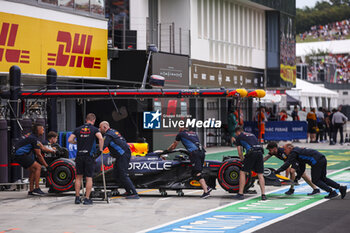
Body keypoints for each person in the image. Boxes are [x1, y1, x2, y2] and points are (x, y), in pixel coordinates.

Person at [275, 143, 347, 199]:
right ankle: (341, 188)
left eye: (285, 149)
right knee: (323, 178)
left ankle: (331, 192)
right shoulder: (297, 151)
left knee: (315, 180)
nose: (284, 151)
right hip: (322, 158)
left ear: (289, 148)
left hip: (316, 161)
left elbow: (287, 163)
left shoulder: (293, 152)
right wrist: (297, 177)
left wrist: (277, 171)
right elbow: (302, 167)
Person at [68, 113, 104, 205]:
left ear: (86, 119)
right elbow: (100, 138)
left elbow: (69, 140)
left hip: (79, 156)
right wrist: (100, 150)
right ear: (93, 120)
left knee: (78, 177)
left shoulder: (77, 129)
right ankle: (87, 199)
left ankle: (77, 198)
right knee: (89, 178)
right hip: (89, 156)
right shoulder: (94, 129)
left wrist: (77, 142)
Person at [167, 127, 212, 198]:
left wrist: (166, 151)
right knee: (194, 173)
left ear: (182, 128)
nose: (178, 128)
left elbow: (173, 146)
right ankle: (207, 188)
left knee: (197, 173)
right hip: (202, 152)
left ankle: (206, 192)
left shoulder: (181, 134)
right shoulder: (194, 133)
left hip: (195, 153)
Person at [99, 121, 140, 199]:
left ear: (104, 127)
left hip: (123, 155)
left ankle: (134, 193)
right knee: (116, 173)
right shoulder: (114, 131)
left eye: (100, 127)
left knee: (123, 174)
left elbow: (102, 147)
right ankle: (128, 190)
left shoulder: (108, 135)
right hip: (123, 154)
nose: (99, 129)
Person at [13, 123, 55, 196]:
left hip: (18, 155)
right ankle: (37, 188)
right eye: (42, 129)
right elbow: (39, 155)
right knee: (38, 167)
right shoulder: (34, 139)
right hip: (20, 155)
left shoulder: (32, 136)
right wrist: (47, 166)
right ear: (38, 130)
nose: (43, 131)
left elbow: (42, 148)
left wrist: (53, 151)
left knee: (33, 170)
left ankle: (31, 190)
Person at [233, 127, 266, 200]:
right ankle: (263, 195)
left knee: (242, 172)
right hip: (260, 153)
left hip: (252, 153)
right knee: (260, 174)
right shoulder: (252, 135)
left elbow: (239, 152)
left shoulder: (239, 137)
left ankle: (240, 193)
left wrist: (242, 161)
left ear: (237, 132)